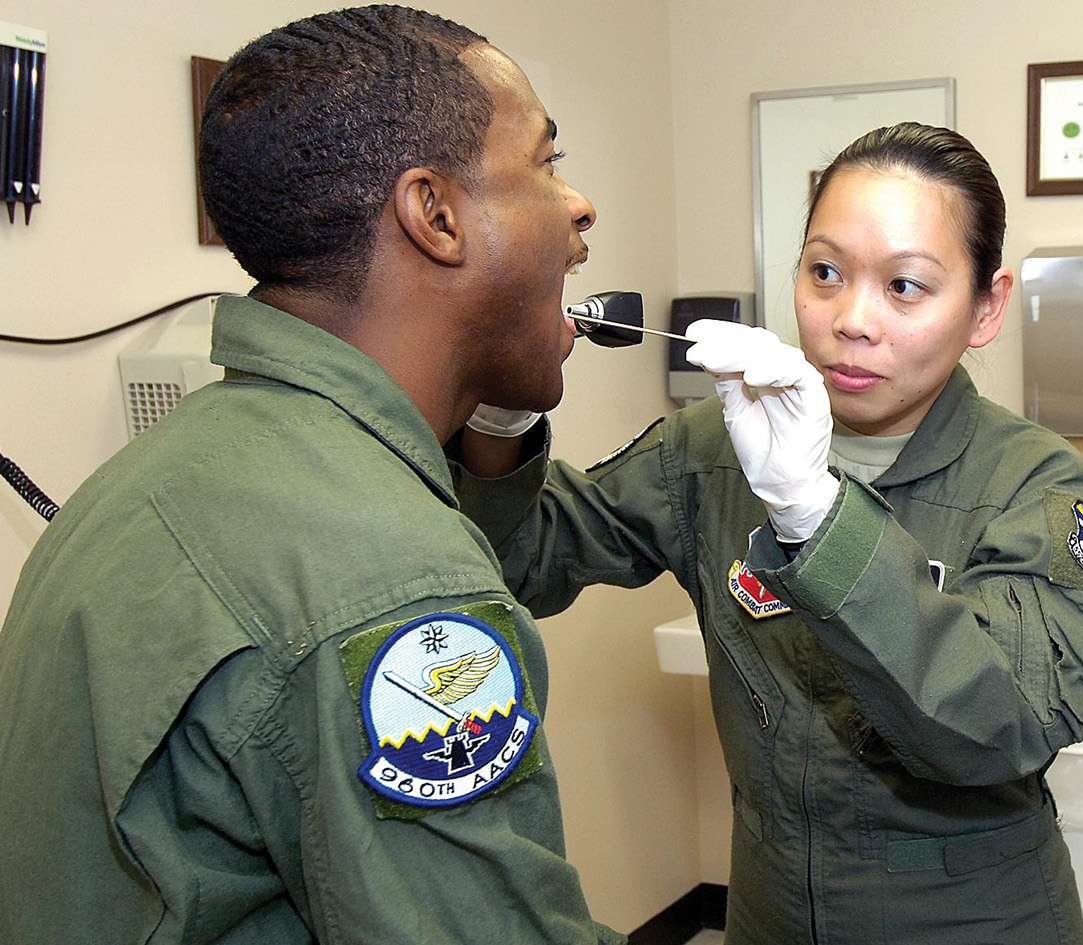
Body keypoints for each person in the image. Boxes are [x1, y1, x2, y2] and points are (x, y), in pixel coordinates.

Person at [0, 6, 620, 944]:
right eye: (544, 160)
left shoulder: (160, 475)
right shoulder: (390, 581)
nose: (579, 206)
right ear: (437, 215)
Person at [457, 122, 1083, 944]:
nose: (852, 320)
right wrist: (501, 401)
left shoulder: (1035, 483)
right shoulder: (713, 446)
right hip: (773, 910)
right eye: (825, 272)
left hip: (967, 920)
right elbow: (522, 558)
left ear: (986, 307)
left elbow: (1006, 727)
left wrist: (815, 513)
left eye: (906, 286)